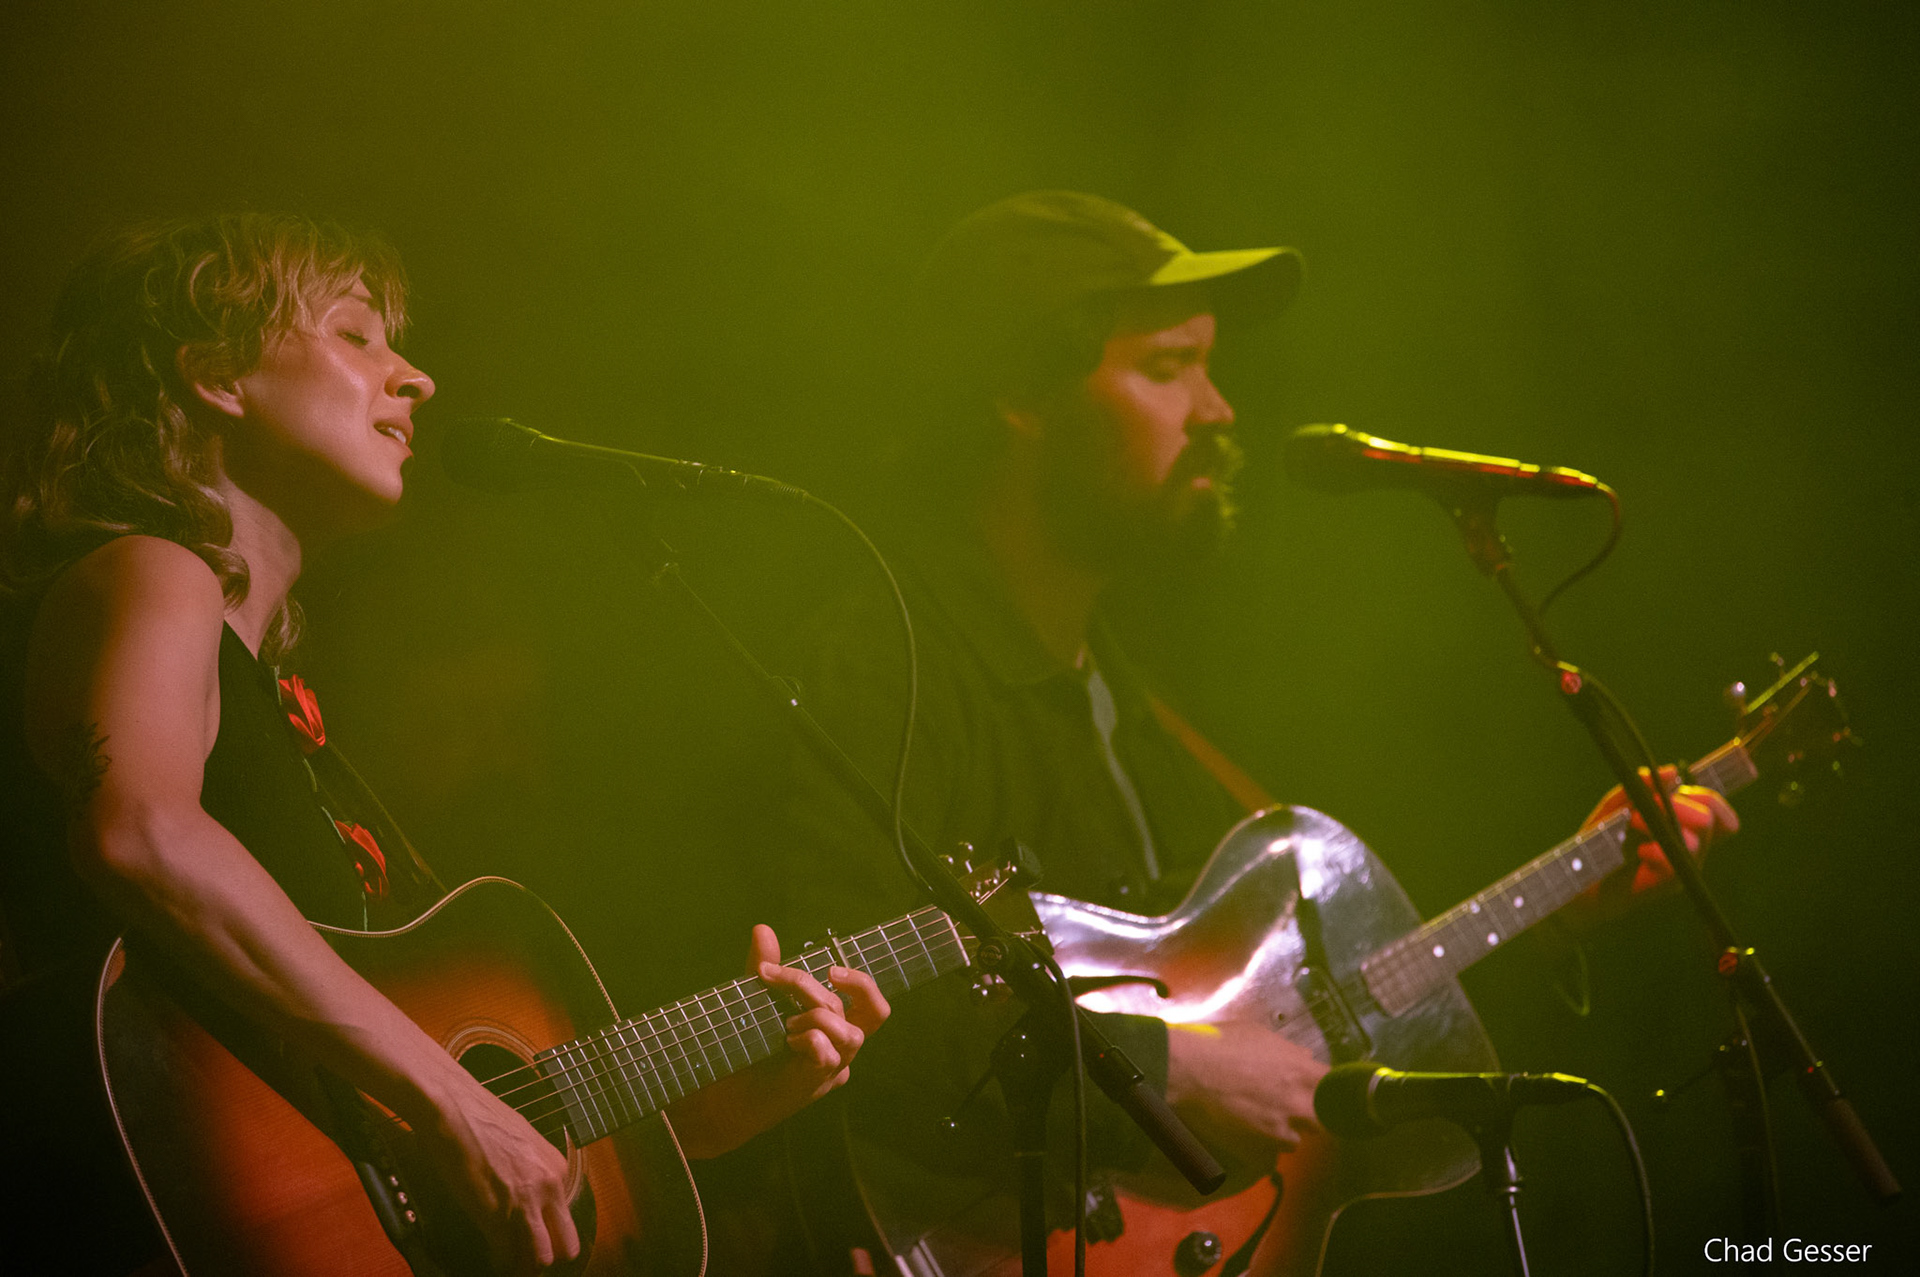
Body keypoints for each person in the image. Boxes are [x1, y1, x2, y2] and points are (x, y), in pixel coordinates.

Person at [745, 191, 1739, 1270]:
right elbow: (844, 1013)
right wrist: (1173, 1071)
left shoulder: (1124, 692)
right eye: (1167, 367)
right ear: (1021, 395)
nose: (1217, 409)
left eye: (1210, 366)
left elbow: (1292, 1011)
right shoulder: (878, 667)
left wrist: (1557, 915)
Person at [0, 213, 889, 1275]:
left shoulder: (274, 692)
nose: (415, 378)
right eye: (356, 335)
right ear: (216, 376)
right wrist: (453, 1100)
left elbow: (349, 1135)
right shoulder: (151, 570)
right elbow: (141, 830)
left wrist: (702, 1115)